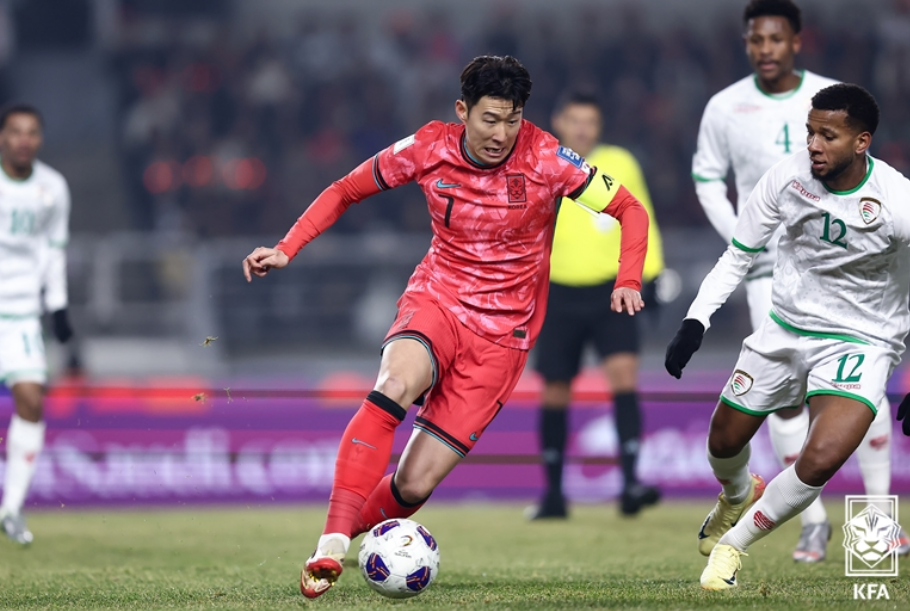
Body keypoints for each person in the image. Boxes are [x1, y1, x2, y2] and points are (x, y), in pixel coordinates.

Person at [241, 55, 649, 599]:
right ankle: (331, 544)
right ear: (462, 111)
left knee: (413, 484)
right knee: (394, 385)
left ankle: (340, 539)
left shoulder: (548, 158)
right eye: (489, 119)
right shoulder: (428, 147)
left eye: (512, 120)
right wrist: (287, 248)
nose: (501, 134)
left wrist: (628, 278)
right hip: (439, 300)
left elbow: (630, 209)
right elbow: (344, 189)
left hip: (502, 339)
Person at [666, 83, 910, 590]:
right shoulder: (787, 176)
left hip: (861, 340)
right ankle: (737, 494)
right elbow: (739, 254)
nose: (813, 145)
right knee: (723, 441)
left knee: (817, 459)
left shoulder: (897, 201)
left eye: (828, 136)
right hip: (785, 328)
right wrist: (696, 320)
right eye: (809, 132)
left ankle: (731, 549)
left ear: (861, 142)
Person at [527, 91, 664, 519]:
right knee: (555, 388)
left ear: (600, 126)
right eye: (575, 120)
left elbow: (642, 216)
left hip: (611, 291)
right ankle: (553, 495)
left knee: (624, 378)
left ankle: (630, 484)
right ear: (559, 122)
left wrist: (651, 275)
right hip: (555, 291)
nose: (583, 129)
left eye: (590, 121)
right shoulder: (542, 162)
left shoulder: (620, 162)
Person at [0, 104, 74, 544]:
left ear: (39, 139)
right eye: (15, 131)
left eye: (31, 132)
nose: (23, 140)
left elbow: (54, 250)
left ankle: (12, 508)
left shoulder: (53, 188)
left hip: (22, 315)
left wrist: (59, 307)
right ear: (2, 137)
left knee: (31, 400)